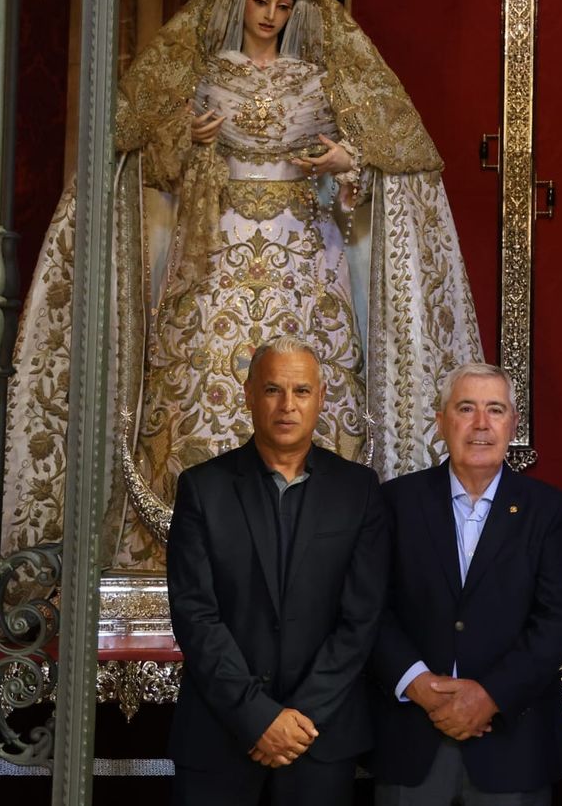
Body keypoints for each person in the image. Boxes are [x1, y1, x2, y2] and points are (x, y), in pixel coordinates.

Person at [0, 0, 482, 619]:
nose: (273, 15)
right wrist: (188, 138)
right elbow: (138, 162)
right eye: (261, 0)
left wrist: (345, 160)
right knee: (202, 389)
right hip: (211, 258)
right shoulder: (195, 71)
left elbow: (382, 169)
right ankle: (170, 549)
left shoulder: (324, 79)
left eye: (287, 5)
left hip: (304, 257)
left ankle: (311, 555)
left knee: (312, 385)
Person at [167, 336, 387, 805]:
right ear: (248, 395)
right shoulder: (203, 488)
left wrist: (297, 721)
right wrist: (257, 718)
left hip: (320, 738)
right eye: (272, 390)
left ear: (321, 398)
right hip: (220, 735)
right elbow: (195, 616)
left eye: (302, 391)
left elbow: (361, 619)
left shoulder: (359, 491)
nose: (287, 405)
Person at [369, 363, 562, 805]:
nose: (481, 424)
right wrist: (416, 683)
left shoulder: (549, 510)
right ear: (442, 420)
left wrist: (490, 696)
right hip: (412, 737)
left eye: (495, 410)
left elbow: (557, 620)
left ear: (513, 423)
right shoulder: (394, 502)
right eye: (467, 408)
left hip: (511, 742)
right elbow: (370, 608)